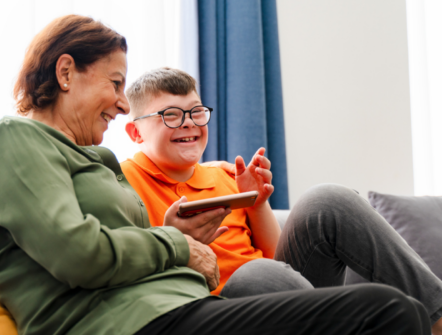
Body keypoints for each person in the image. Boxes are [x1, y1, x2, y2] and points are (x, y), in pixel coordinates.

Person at [0, 14, 430, 335]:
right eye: (115, 83)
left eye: (195, 113)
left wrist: (175, 236)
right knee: (387, 311)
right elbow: (79, 253)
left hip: (180, 305)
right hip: (134, 323)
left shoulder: (96, 163)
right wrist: (179, 244)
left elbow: (135, 253)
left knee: (350, 244)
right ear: (67, 73)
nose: (122, 101)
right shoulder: (16, 140)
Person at [121, 67, 442, 334]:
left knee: (326, 199)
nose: (189, 122)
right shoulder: (123, 183)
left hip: (285, 295)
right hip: (220, 314)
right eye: (171, 115)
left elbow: (280, 260)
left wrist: (257, 203)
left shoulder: (224, 174)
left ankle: (437, 319)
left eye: (196, 112)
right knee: (256, 274)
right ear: (136, 133)